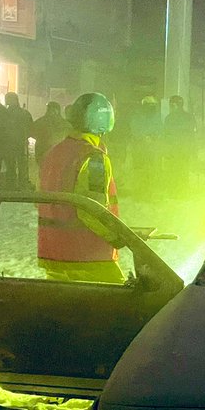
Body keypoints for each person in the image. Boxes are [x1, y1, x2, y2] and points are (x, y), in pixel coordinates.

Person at [37, 92, 124, 283]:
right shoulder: (93, 157)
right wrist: (117, 236)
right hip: (87, 256)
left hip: (53, 255)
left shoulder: (54, 153)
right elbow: (92, 209)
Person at [163, 94, 197, 192]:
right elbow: (192, 135)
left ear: (174, 105)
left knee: (174, 171)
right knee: (183, 170)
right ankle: (182, 191)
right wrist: (193, 149)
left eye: (171, 105)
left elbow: (167, 136)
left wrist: (166, 149)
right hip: (185, 150)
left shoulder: (169, 118)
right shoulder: (189, 117)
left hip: (174, 150)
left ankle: (175, 190)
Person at [2, 92, 34, 191]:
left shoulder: (4, 114)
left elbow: (0, 128)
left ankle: (11, 184)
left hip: (9, 143)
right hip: (20, 142)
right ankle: (22, 184)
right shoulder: (24, 113)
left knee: (10, 165)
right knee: (22, 165)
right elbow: (31, 128)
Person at [130, 95, 164, 180]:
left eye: (153, 105)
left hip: (152, 147)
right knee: (139, 170)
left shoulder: (157, 116)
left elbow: (160, 129)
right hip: (140, 146)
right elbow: (134, 129)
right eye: (149, 105)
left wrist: (153, 137)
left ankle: (150, 188)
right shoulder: (137, 116)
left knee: (152, 169)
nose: (152, 107)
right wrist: (144, 137)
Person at [30, 101, 70, 171]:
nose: (51, 111)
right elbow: (32, 132)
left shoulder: (63, 123)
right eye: (50, 109)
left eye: (52, 109)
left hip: (55, 152)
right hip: (43, 150)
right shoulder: (42, 121)